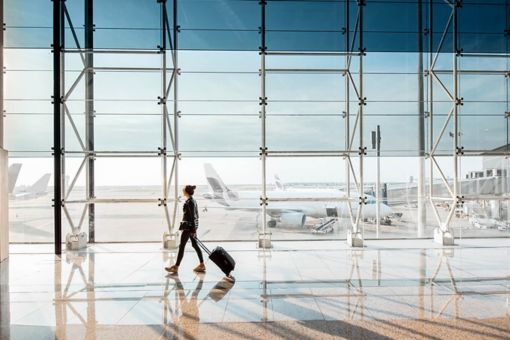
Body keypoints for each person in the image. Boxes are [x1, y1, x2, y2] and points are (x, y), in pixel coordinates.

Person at [165, 185, 205, 274]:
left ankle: (176, 267)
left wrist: (193, 230)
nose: (182, 191)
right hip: (191, 227)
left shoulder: (190, 202)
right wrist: (194, 229)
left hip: (188, 227)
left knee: (182, 246)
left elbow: (192, 217)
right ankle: (202, 264)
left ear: (186, 191)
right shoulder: (192, 201)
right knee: (194, 245)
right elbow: (196, 216)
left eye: (183, 190)